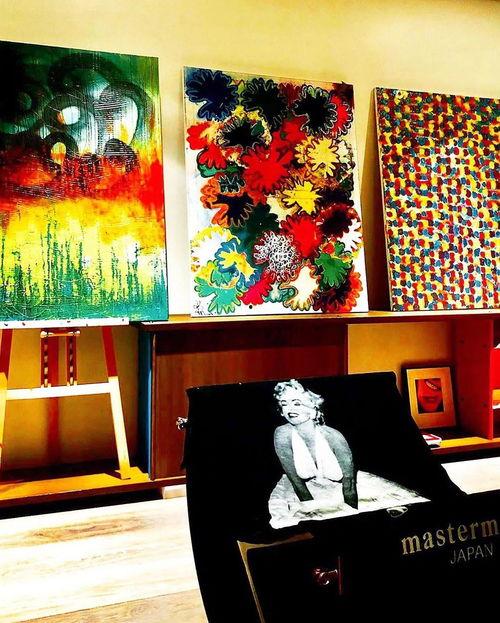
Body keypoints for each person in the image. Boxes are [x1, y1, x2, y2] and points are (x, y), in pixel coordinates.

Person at [268, 379, 427, 529]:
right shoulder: (282, 434)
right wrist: (313, 510)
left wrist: (350, 514)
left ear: (313, 407)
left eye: (297, 403)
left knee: (399, 507)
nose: (290, 409)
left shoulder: (334, 436)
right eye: (284, 404)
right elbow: (296, 481)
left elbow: (349, 484)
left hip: (349, 490)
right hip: (304, 492)